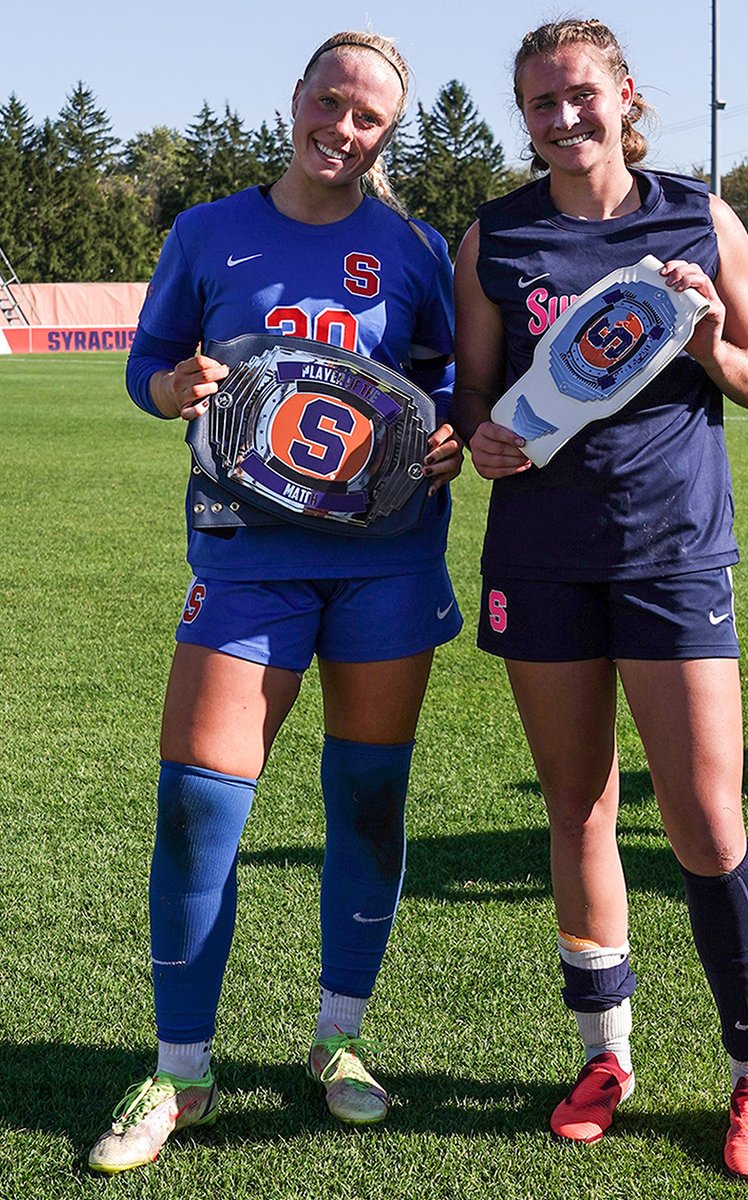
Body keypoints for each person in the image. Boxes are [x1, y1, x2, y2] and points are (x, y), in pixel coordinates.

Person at [88, 30, 463, 1175]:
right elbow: (148, 363)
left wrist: (444, 433)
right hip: (245, 555)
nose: (344, 130)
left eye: (369, 121)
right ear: (297, 96)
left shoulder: (413, 247)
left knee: (367, 802)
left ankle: (338, 1043)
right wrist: (171, 384)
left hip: (387, 561)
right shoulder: (208, 232)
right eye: (332, 102)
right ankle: (181, 1069)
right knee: (200, 804)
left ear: (386, 136)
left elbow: (446, 377)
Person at [452, 19, 748, 1183]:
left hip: (673, 553)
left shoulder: (699, 214)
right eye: (540, 101)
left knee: (704, 818)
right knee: (579, 809)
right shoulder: (495, 234)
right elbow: (480, 395)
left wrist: (706, 343)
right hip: (541, 558)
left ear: (624, 94)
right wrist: (482, 440)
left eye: (579, 95)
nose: (562, 117)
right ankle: (607, 1055)